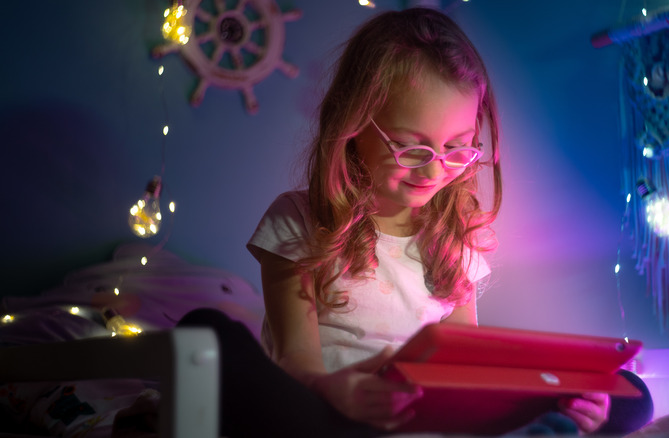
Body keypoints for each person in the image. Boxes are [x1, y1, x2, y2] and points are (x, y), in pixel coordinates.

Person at [182, 7, 612, 437]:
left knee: (622, 394)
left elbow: (462, 366)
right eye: (411, 148)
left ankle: (559, 420)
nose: (434, 172)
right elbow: (296, 360)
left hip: (417, 416)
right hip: (323, 407)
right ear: (353, 125)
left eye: (458, 149)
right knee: (206, 334)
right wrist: (335, 390)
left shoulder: (455, 242)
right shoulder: (298, 221)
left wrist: (550, 396)